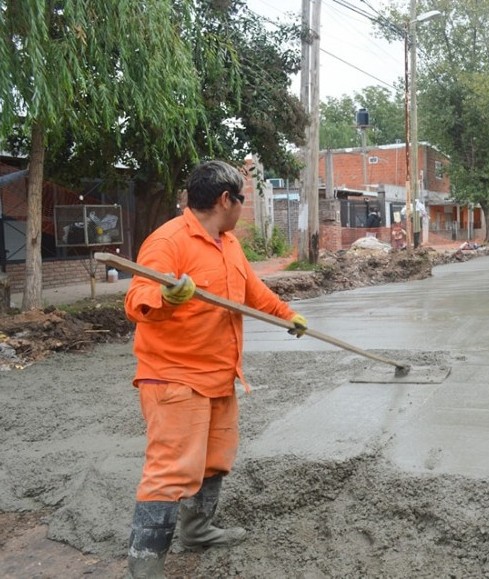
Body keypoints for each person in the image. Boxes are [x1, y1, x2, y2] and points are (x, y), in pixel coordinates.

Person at [123, 160, 308, 577]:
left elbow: (252, 291)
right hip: (175, 378)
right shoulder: (168, 241)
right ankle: (144, 570)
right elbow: (136, 300)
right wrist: (166, 297)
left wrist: (287, 315)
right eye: (242, 199)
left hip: (220, 376)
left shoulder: (229, 244)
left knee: (213, 460)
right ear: (226, 199)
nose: (242, 207)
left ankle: (197, 531)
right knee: (170, 472)